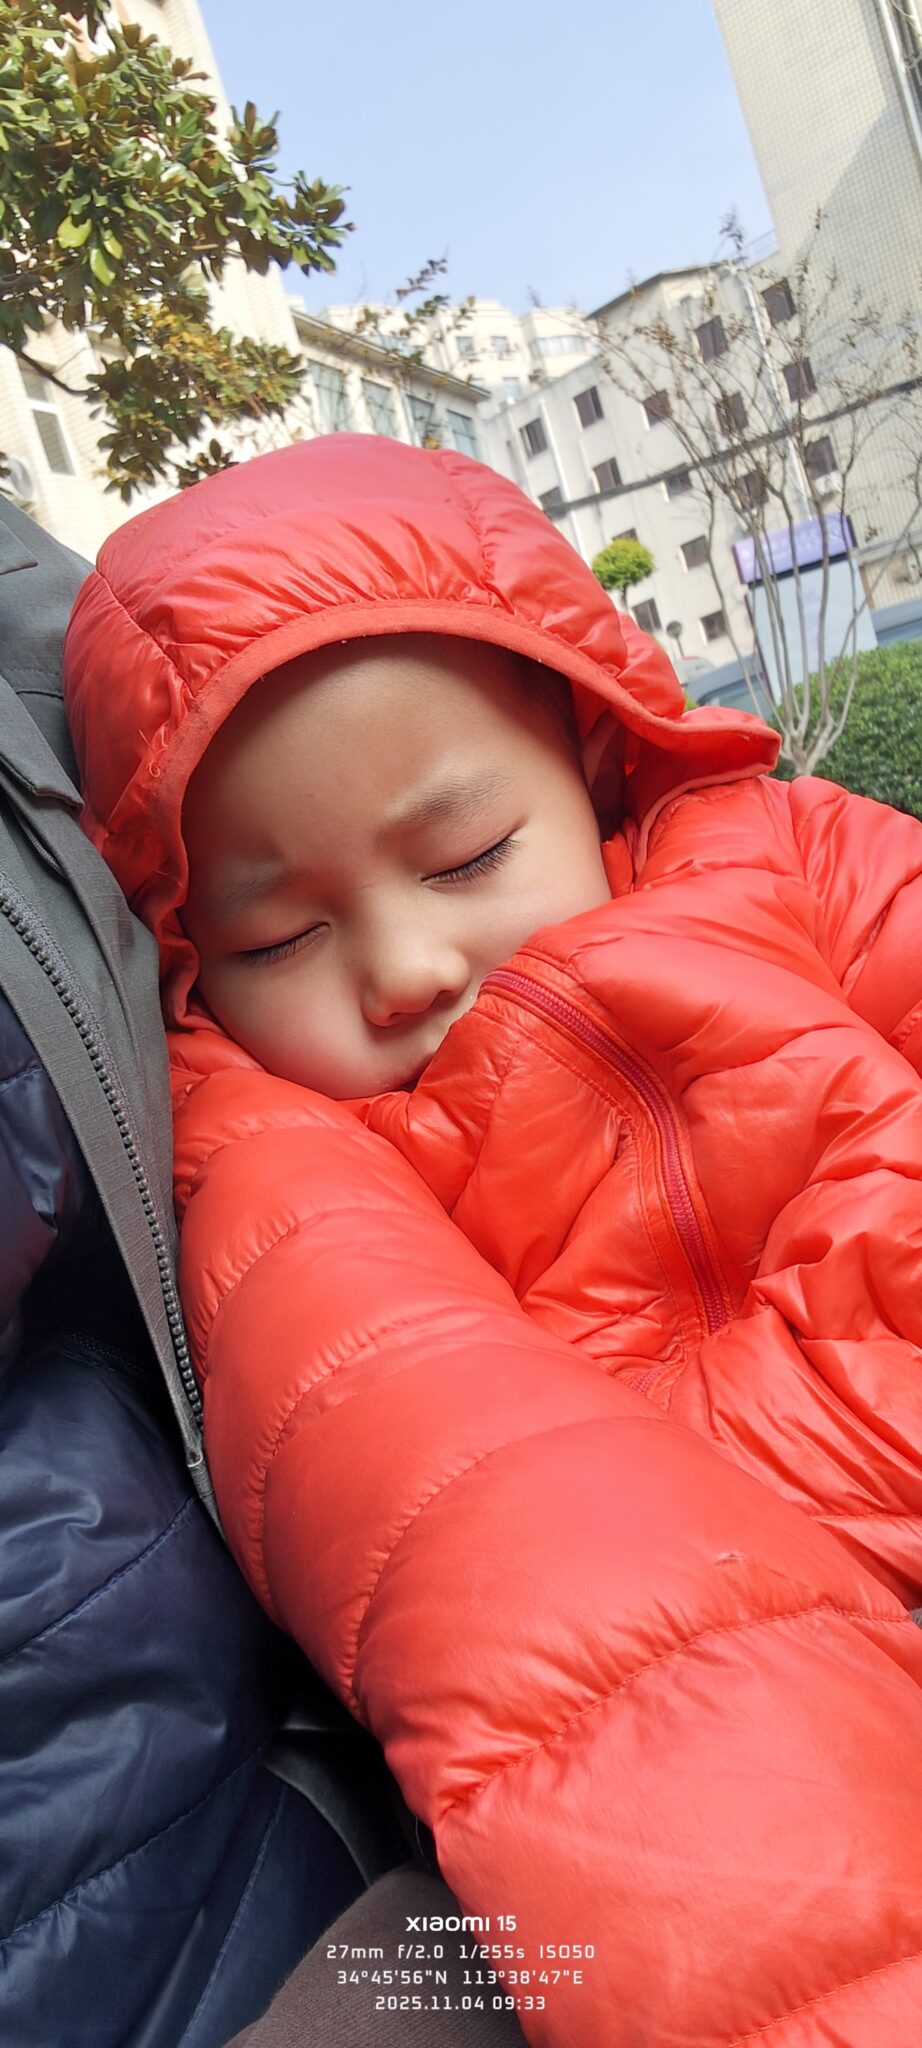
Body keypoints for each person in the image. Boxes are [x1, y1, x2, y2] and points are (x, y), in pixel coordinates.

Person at [63, 433, 922, 2046]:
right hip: (741, 1639)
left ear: (591, 762)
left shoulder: (788, 860)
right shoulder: (278, 1160)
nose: (402, 967)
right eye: (278, 936)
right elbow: (464, 1501)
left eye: (464, 859)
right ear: (190, 959)